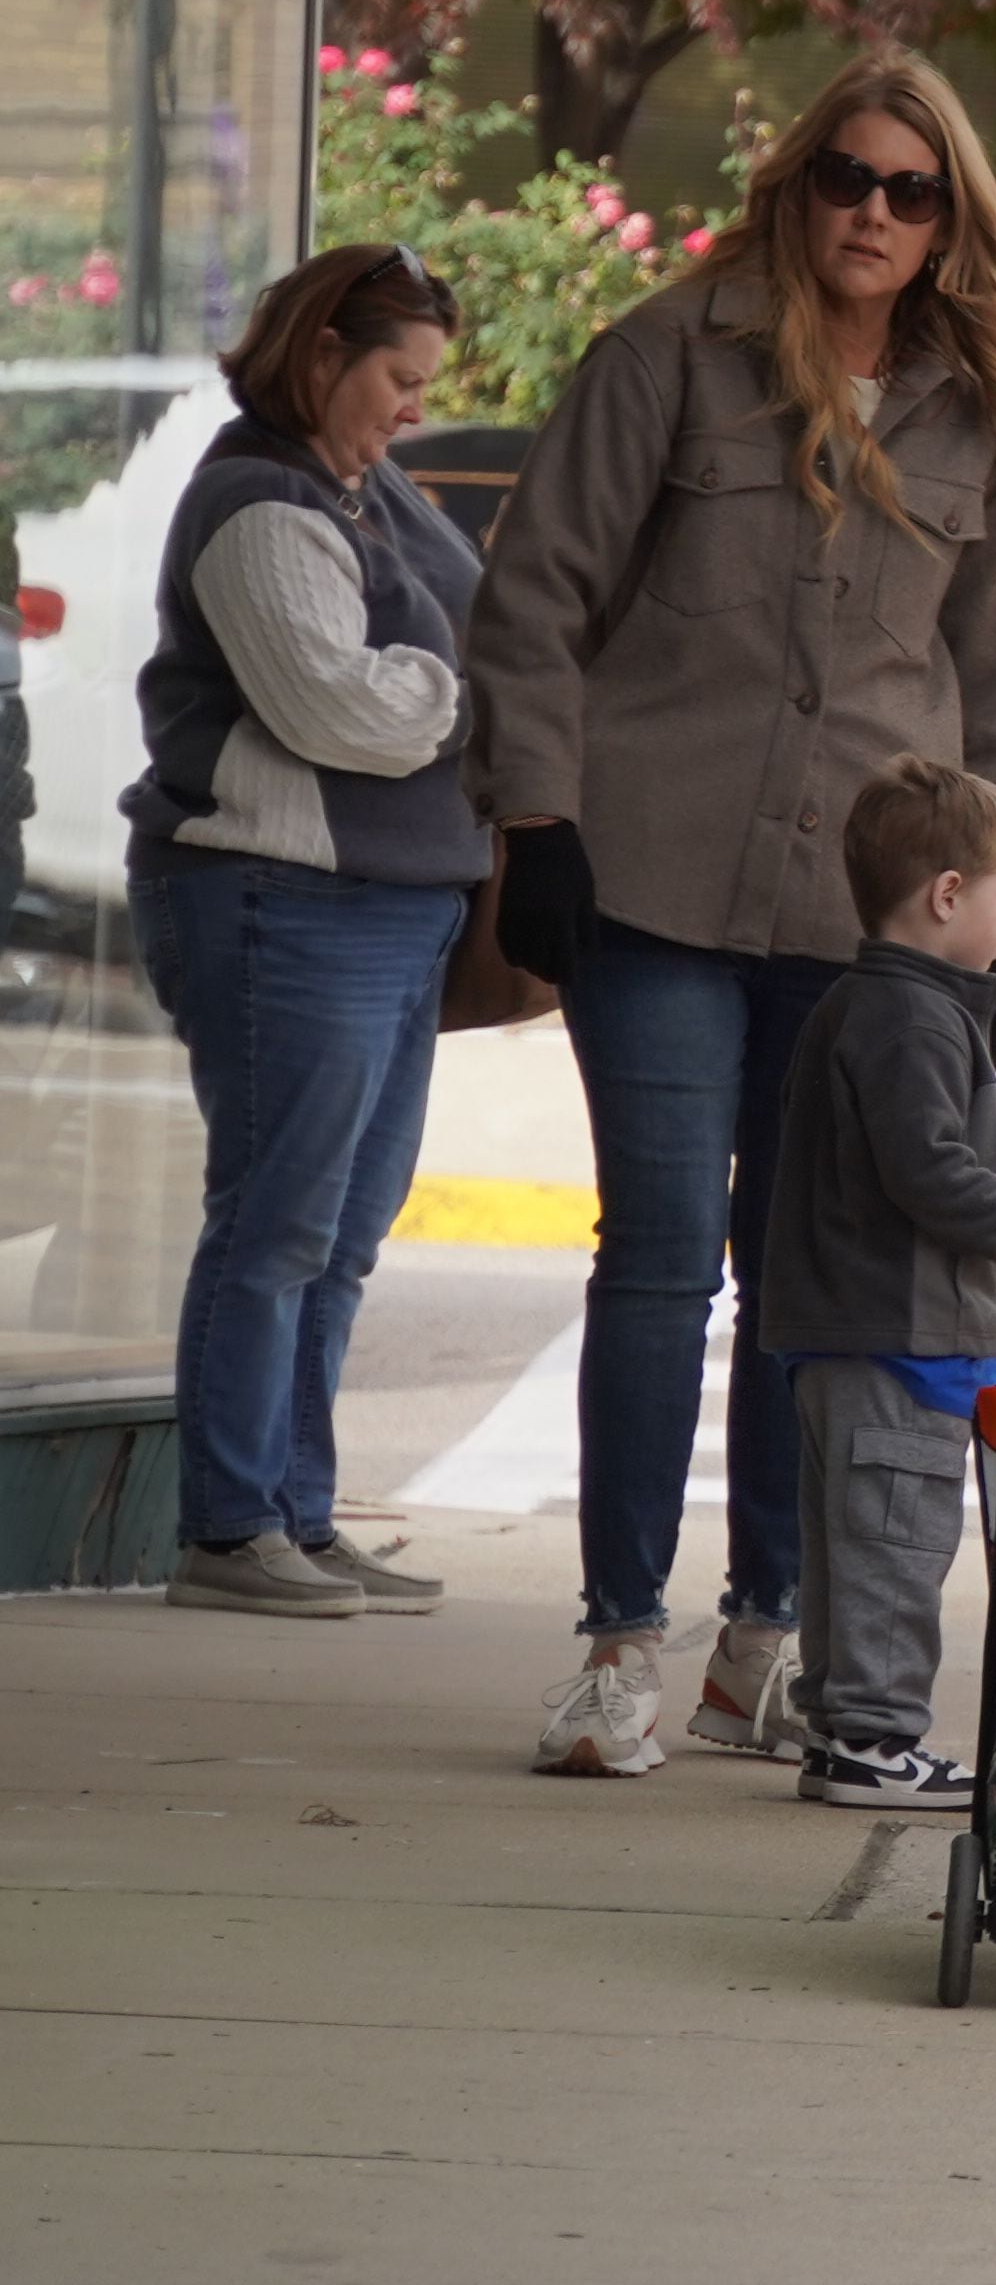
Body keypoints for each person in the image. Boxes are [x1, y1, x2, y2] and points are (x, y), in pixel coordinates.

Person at [469, 49, 996, 1779]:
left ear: (951, 218)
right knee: (660, 1257)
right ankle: (613, 1642)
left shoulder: (970, 416)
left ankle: (767, 1633)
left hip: (869, 923)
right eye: (845, 178)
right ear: (792, 186)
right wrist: (539, 820)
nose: (871, 214)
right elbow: (533, 602)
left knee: (810, 1281)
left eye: (911, 190)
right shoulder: (668, 358)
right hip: (655, 881)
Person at [123, 242, 481, 1621]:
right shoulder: (262, 506)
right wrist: (464, 685)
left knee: (340, 1232)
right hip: (284, 900)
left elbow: (479, 614)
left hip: (388, 908)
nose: (413, 408)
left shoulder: (358, 485)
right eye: (398, 376)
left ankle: (299, 1513)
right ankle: (228, 1526)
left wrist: (452, 666)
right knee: (276, 1221)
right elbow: (338, 708)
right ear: (321, 354)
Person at [753, 756, 996, 1805]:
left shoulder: (869, 1004)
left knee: (848, 1548)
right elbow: (931, 1174)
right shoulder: (914, 1017)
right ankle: (877, 1738)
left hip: (844, 1327)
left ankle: (844, 1726)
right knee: (895, 1545)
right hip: (900, 1329)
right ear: (945, 895)